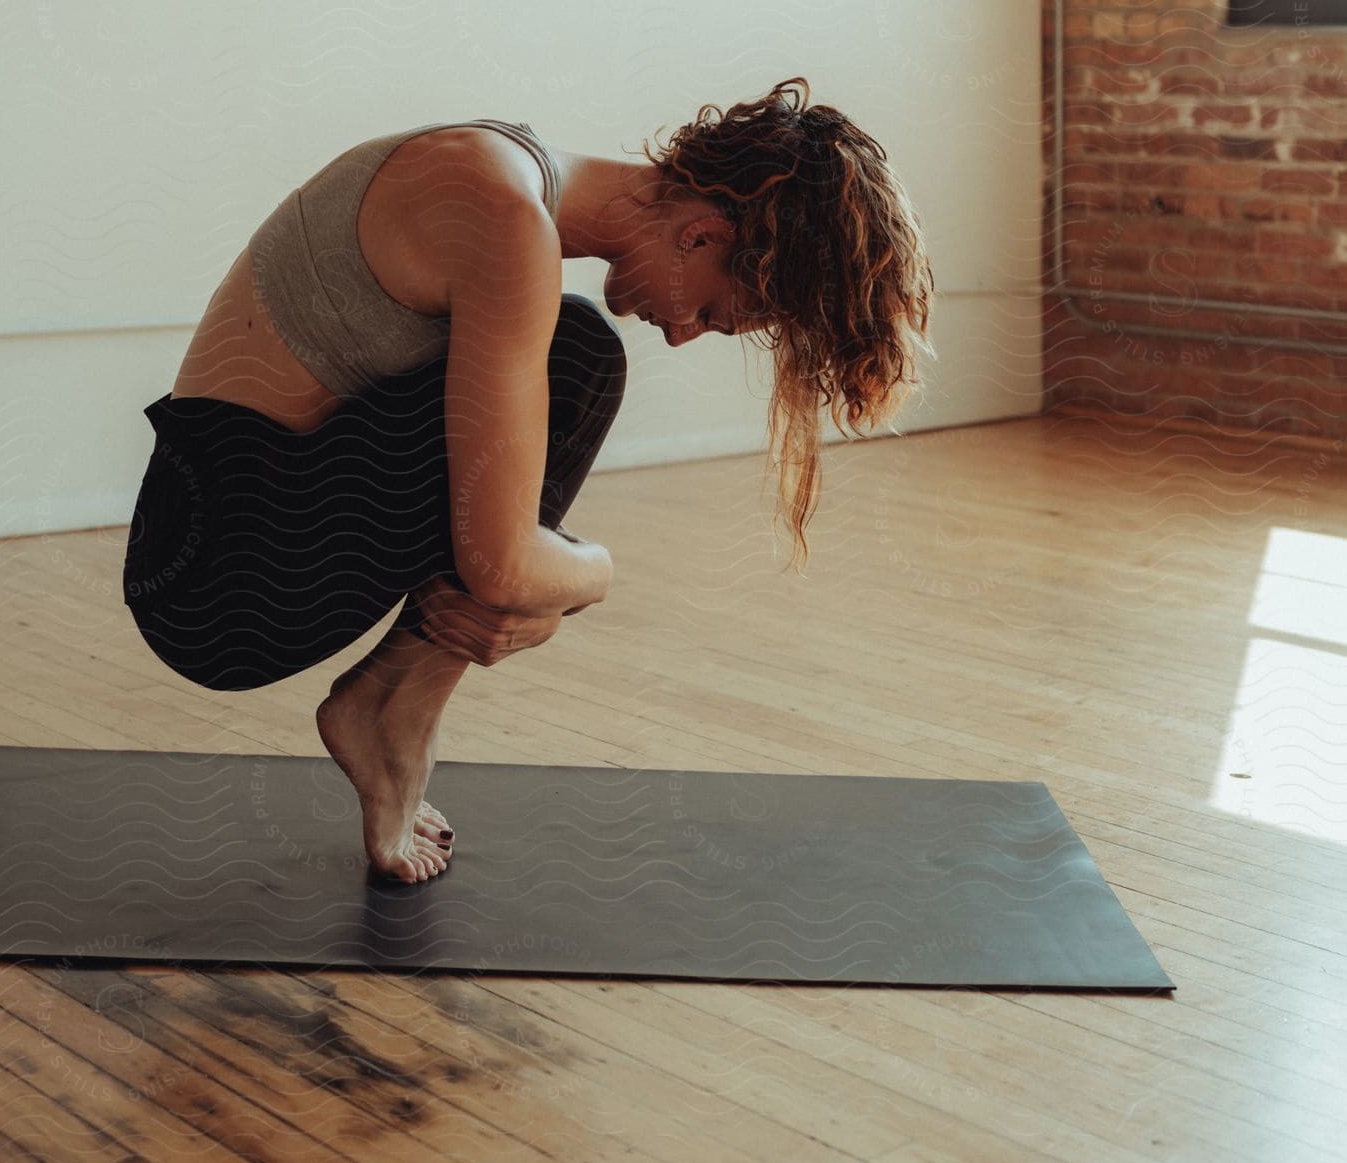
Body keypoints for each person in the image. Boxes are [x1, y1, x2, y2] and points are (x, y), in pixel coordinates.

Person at [121, 77, 934, 882]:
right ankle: (390, 714)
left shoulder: (502, 164)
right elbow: (502, 568)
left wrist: (526, 572)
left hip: (222, 540)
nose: (683, 335)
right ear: (700, 236)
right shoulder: (506, 223)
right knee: (578, 361)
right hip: (218, 596)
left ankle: (392, 708)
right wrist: (585, 577)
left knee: (566, 359)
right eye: (716, 311)